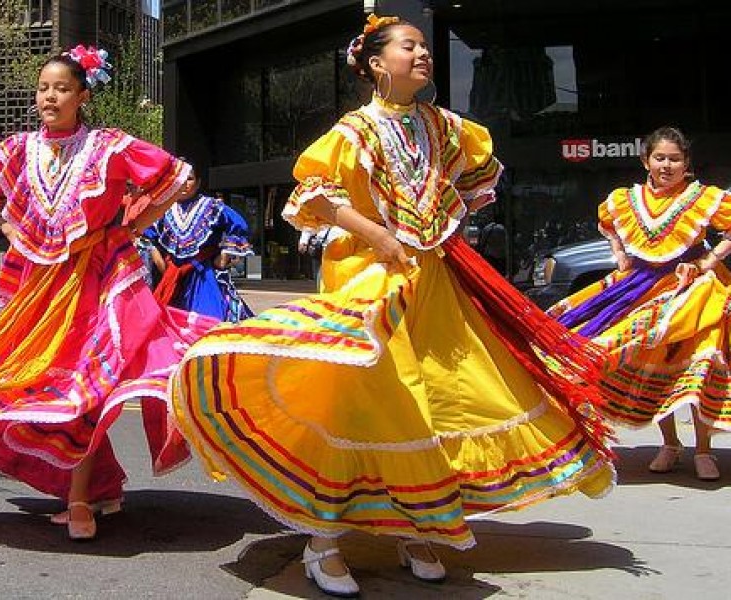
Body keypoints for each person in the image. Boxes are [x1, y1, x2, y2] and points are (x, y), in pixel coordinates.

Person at [169, 14, 615, 597]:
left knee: (440, 396)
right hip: (371, 278)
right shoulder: (354, 131)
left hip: (435, 281)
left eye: (426, 47)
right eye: (411, 47)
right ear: (378, 64)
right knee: (362, 401)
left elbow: (476, 178)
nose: (424, 55)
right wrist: (378, 235)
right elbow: (316, 196)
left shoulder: (445, 126)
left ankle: (415, 523)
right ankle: (323, 540)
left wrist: (445, 226)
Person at [0, 46, 215, 541]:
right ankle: (98, 488)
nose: (49, 96)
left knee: (86, 386)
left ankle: (82, 498)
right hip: (40, 287)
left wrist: (128, 228)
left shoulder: (108, 146)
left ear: (81, 95)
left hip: (100, 278)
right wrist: (10, 230)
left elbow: (175, 176)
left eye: (61, 88)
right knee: (44, 385)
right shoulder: (20, 149)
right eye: (43, 88)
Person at [550, 126, 731, 481]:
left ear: (687, 163)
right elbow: (611, 228)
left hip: (694, 290)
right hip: (643, 289)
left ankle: (704, 449)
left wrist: (708, 262)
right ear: (646, 160)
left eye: (675, 159)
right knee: (651, 364)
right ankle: (670, 444)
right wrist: (620, 256)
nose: (667, 165)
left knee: (697, 366)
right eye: (660, 157)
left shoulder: (703, 197)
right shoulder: (625, 200)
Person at [145, 170, 254, 323]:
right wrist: (159, 260)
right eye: (179, 179)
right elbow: (148, 235)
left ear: (198, 183)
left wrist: (223, 256)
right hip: (174, 276)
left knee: (209, 319)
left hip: (204, 273)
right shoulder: (164, 209)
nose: (184, 184)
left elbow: (238, 225)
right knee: (169, 324)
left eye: (189, 179)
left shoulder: (212, 206)